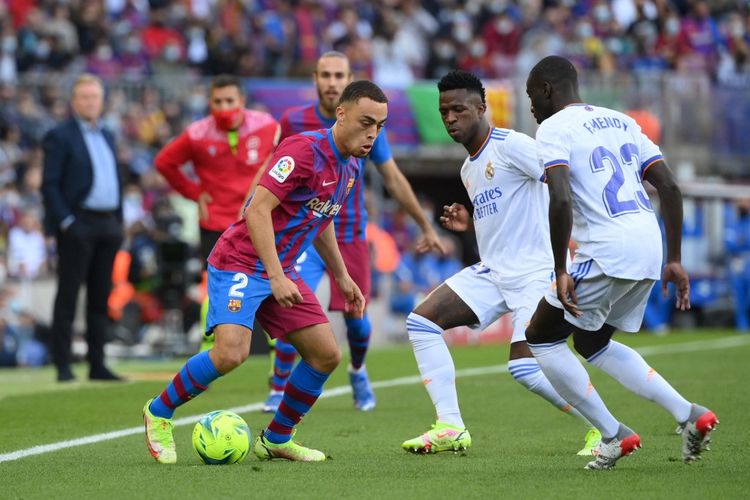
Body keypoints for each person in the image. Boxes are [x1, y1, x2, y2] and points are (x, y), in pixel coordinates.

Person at [142, 80, 387, 464]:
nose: (372, 133)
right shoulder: (303, 151)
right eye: (365, 121)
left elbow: (320, 221)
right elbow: (256, 209)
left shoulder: (351, 166)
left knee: (325, 355)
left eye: (380, 126)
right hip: (241, 260)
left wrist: (341, 275)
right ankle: (159, 413)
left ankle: (276, 437)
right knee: (230, 354)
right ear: (342, 114)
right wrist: (275, 275)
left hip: (281, 268)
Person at [523, 55, 718, 470]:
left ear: (546, 90)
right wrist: (676, 258)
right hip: (649, 247)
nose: (531, 108)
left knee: (539, 336)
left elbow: (558, 198)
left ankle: (613, 435)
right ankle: (689, 414)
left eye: (531, 97)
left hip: (608, 251)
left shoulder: (552, 128)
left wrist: (561, 268)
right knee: (593, 342)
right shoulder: (623, 121)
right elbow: (668, 185)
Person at [401, 70, 600, 456]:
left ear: (481, 107)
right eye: (444, 112)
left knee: (524, 369)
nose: (450, 118)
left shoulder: (513, 145)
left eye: (458, 109)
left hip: (536, 272)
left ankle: (602, 427)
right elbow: (507, 216)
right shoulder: (468, 167)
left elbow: (562, 185)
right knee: (421, 321)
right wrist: (470, 220)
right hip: (494, 271)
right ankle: (451, 426)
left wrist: (576, 249)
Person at [263, 51, 444, 413]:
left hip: (347, 234)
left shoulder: (370, 124)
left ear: (349, 80)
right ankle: (279, 386)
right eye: (326, 75)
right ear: (315, 77)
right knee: (294, 306)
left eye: (339, 75)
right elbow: (273, 168)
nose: (332, 82)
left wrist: (424, 224)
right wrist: (252, 203)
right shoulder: (294, 119)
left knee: (356, 321)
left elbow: (392, 176)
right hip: (302, 235)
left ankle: (358, 369)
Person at [42, 73, 124, 382]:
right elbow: (50, 185)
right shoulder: (60, 135)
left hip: (107, 224)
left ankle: (97, 364)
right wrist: (67, 222)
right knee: (68, 294)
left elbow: (115, 179)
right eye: (85, 97)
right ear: (74, 101)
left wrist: (118, 221)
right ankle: (63, 364)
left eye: (95, 97)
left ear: (102, 101)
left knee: (100, 296)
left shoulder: (108, 134)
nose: (91, 102)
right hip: (79, 222)